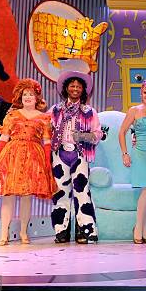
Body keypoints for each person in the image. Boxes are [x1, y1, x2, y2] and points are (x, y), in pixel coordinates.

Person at [0, 79, 56, 245]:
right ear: (21, 97)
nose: (28, 97)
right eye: (25, 94)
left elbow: (47, 141)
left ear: (37, 98)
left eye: (31, 94)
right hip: (12, 155)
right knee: (8, 194)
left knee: (27, 195)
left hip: (33, 156)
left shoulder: (44, 118)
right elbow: (4, 137)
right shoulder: (12, 115)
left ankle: (23, 232)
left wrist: (48, 160)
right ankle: (4, 234)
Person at [50, 71, 103, 244]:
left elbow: (98, 133)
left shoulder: (89, 112)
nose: (75, 89)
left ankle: (84, 231)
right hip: (59, 155)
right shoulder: (55, 110)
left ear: (83, 90)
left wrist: (81, 136)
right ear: (66, 88)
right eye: (72, 86)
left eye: (78, 86)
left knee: (81, 192)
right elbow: (45, 129)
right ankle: (61, 231)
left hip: (79, 155)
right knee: (60, 193)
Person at [119, 79, 146, 244]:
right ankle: (138, 229)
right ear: (141, 93)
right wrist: (125, 153)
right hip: (140, 154)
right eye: (145, 92)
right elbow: (121, 132)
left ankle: (144, 231)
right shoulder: (134, 110)